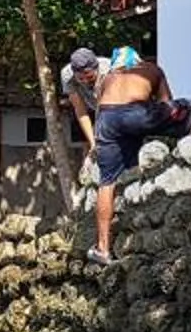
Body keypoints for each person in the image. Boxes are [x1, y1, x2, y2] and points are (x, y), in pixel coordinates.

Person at [74, 43, 177, 264]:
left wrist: (97, 144)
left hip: (107, 121)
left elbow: (100, 109)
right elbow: (168, 105)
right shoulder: (151, 69)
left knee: (107, 181)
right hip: (136, 114)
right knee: (185, 111)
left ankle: (102, 247)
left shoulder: (109, 76)